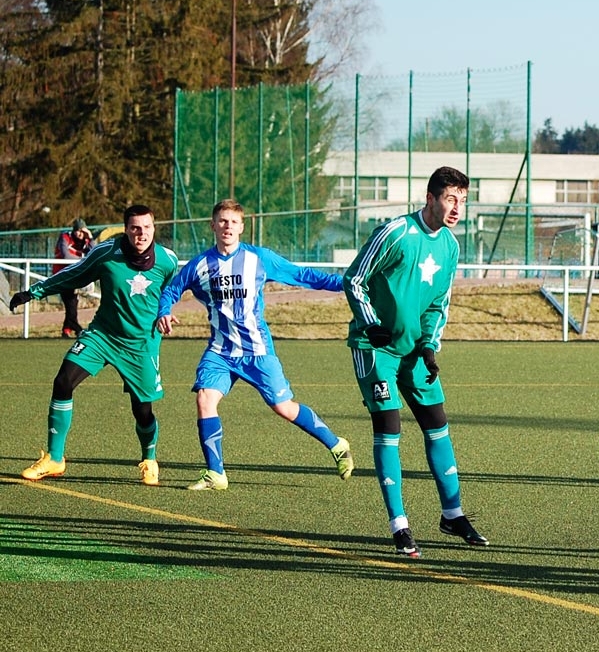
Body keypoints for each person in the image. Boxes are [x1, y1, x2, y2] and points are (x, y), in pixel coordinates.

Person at [156, 199, 354, 491]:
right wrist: (164, 311)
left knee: (283, 407)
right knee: (204, 400)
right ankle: (216, 474)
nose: (228, 227)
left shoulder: (258, 259)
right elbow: (172, 289)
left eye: (234, 222)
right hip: (221, 352)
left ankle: (337, 445)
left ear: (242, 227)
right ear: (213, 225)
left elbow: (301, 275)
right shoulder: (200, 265)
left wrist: (344, 283)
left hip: (257, 351)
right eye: (222, 221)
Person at [343, 166, 488, 558]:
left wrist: (429, 345)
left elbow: (439, 303)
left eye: (463, 200)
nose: (457, 207)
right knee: (390, 428)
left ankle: (452, 515)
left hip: (413, 352)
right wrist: (370, 324)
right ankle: (400, 525)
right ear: (430, 198)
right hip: (374, 348)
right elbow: (354, 279)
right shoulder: (396, 233)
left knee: (438, 425)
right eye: (450, 198)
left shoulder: (451, 247)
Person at [10, 205, 178, 485]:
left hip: (141, 345)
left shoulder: (167, 261)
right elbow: (73, 274)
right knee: (63, 382)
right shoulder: (106, 253)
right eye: (135, 227)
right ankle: (54, 458)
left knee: (143, 410)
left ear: (154, 228)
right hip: (102, 335)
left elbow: (171, 292)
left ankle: (149, 459)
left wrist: (166, 311)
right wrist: (33, 292)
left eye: (147, 227)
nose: (141, 233)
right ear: (126, 229)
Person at [54, 218, 94, 338]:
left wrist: (91, 238)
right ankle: (78, 329)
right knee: (70, 303)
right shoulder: (65, 237)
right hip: (62, 275)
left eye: (83, 231)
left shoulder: (85, 241)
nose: (80, 234)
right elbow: (66, 256)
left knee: (72, 303)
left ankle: (66, 330)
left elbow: (95, 252)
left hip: (75, 276)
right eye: (78, 231)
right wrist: (84, 261)